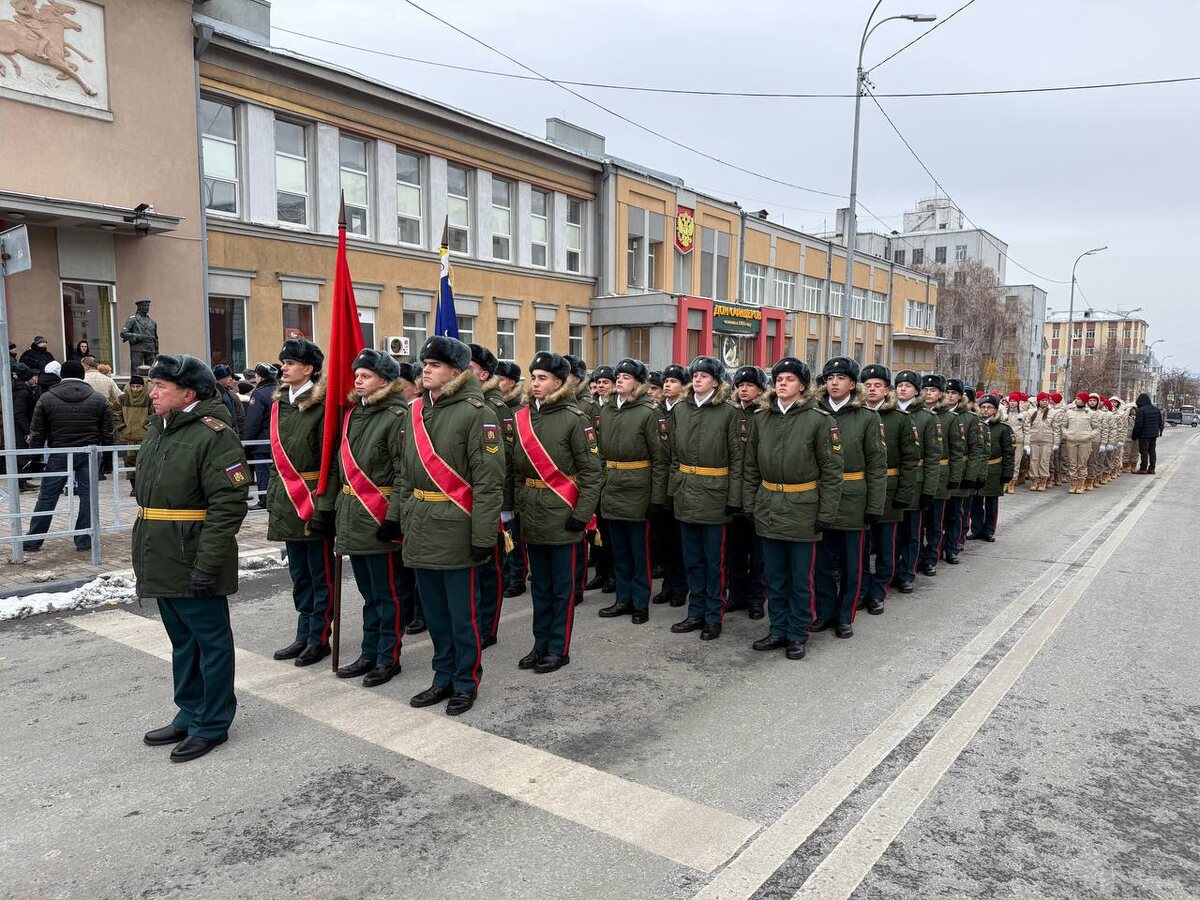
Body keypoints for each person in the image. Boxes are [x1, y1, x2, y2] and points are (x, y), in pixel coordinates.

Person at [136, 354, 249, 763]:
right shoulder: (160, 429)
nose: (153, 393)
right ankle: (190, 710)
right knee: (182, 641)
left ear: (188, 392)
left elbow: (228, 504)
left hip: (193, 554)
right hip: (161, 552)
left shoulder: (213, 434)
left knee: (210, 642)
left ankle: (213, 722)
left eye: (160, 387)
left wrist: (207, 562)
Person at [393, 337, 504, 714]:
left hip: (458, 525)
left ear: (456, 372)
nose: (426, 370)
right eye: (425, 363)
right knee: (436, 615)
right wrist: (400, 517)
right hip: (422, 524)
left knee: (462, 616)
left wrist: (483, 536)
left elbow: (489, 483)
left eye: (436, 365)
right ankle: (441, 677)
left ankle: (465, 681)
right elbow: (405, 474)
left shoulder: (478, 412)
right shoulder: (415, 412)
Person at [743, 357, 842, 659]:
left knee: (800, 578)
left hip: (803, 509)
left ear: (802, 385)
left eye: (789, 378)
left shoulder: (819, 419)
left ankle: (797, 632)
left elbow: (832, 471)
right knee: (774, 576)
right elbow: (750, 467)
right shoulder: (761, 418)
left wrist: (825, 514)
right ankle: (778, 629)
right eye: (779, 378)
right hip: (770, 505)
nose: (782, 383)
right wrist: (750, 504)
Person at [510, 351, 601, 672]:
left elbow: (592, 472)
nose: (535, 383)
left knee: (561, 589)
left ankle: (558, 648)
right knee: (541, 586)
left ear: (559, 383)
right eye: (533, 377)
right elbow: (516, 471)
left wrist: (582, 513)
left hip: (564, 514)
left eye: (542, 378)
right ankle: (539, 644)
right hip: (532, 513)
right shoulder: (521, 417)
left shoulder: (575, 418)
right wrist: (518, 503)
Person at [331, 349, 410, 688]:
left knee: (387, 593)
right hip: (353, 513)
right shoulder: (354, 415)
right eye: (357, 375)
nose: (358, 380)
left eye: (365, 376)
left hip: (379, 515)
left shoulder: (396, 416)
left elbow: (403, 472)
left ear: (385, 380)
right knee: (368, 593)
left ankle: (388, 657)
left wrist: (393, 518)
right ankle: (368, 651)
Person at [267, 338, 338, 669]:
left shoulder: (321, 406)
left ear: (308, 369)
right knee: (299, 574)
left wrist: (325, 506)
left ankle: (319, 637)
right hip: (287, 499)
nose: (284, 367)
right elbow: (277, 459)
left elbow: (331, 461)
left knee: (319, 573)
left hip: (313, 498)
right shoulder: (280, 403)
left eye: (291, 363)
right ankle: (303, 632)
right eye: (284, 362)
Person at [668, 356, 743, 641]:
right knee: (692, 560)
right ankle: (695, 611)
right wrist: (674, 488)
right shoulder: (680, 410)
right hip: (687, 492)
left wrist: (733, 497)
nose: (697, 379)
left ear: (715, 380)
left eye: (704, 375)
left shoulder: (729, 412)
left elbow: (738, 459)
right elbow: (674, 456)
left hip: (715, 494)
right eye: (694, 375)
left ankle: (714, 615)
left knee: (714, 562)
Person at [812, 357, 887, 638]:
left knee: (852, 564)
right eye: (830, 378)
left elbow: (877, 466)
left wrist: (874, 505)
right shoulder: (815, 413)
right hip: (820, 498)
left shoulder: (868, 417)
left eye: (841, 378)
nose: (834, 383)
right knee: (821, 563)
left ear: (853, 384)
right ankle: (825, 611)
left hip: (854, 499)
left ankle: (845, 615)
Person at [596, 357, 668, 624]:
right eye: (619, 377)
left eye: (626, 377)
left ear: (638, 383)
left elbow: (660, 459)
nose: (620, 380)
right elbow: (601, 454)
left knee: (639, 552)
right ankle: (623, 599)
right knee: (620, 550)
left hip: (638, 489)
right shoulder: (607, 411)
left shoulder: (649, 412)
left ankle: (640, 602)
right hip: (613, 486)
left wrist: (656, 497)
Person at [23, 360, 113, 552]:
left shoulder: (47, 398)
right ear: (82, 375)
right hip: (89, 452)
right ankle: (84, 540)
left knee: (47, 496)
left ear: (61, 376)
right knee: (89, 497)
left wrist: (35, 457)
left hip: (59, 452)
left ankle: (33, 540)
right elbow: (108, 432)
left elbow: (37, 431)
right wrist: (108, 459)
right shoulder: (98, 399)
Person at [860, 365, 921, 614]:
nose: (872, 389)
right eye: (868, 385)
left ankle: (878, 591)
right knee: (861, 548)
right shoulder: (856, 415)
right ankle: (861, 589)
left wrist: (904, 494)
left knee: (887, 546)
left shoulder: (900, 419)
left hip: (889, 489)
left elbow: (910, 460)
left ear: (887, 390)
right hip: (860, 491)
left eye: (878, 385)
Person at [468, 343, 515, 649]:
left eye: (468, 369)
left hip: (493, 501)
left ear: (483, 374)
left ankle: (489, 626)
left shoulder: (495, 408)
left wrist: (505, 507)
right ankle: (474, 621)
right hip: (463, 499)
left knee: (490, 568)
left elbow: (505, 460)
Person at [891, 370, 942, 593]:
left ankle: (906, 573)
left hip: (916, 483)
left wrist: (929, 489)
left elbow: (933, 458)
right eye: (899, 385)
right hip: (891, 482)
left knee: (911, 532)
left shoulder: (926, 418)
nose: (902, 389)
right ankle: (889, 570)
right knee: (890, 534)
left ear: (916, 391)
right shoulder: (887, 413)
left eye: (908, 386)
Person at [725, 365, 767, 619]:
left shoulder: (764, 414)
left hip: (757, 492)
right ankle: (737, 594)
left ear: (761, 390)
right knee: (734, 551)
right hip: (732, 492)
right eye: (740, 385)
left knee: (759, 553)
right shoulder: (731, 414)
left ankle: (756, 599)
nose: (743, 389)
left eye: (749, 385)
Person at [652, 364, 689, 609]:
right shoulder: (656, 411)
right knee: (663, 540)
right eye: (665, 381)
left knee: (679, 542)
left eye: (673, 381)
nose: (667, 385)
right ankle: (668, 584)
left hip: (679, 482)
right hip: (659, 481)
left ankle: (680, 587)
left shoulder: (684, 410)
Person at [918, 374, 957, 577]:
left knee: (935, 522)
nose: (928, 393)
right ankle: (916, 557)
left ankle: (931, 558)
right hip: (917, 475)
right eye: (925, 389)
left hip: (940, 475)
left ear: (940, 394)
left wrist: (954, 478)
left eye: (932, 390)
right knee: (917, 523)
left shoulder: (949, 418)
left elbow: (957, 451)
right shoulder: (913, 414)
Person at [496, 359, 528, 600]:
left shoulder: (517, 411)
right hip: (499, 480)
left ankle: (516, 577)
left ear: (512, 383)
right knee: (501, 535)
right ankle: (506, 575)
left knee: (514, 535)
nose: (497, 383)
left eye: (502, 379)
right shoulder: (495, 406)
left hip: (513, 479)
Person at [586, 365, 616, 593]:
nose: (600, 386)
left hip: (610, 473)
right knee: (596, 528)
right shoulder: (596, 406)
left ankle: (612, 575)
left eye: (605, 382)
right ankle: (601, 571)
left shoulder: (611, 408)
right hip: (595, 473)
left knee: (609, 531)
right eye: (597, 382)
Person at [969, 395, 1015, 541]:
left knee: (991, 502)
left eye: (989, 407)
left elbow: (1009, 452)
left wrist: (1008, 472)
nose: (985, 410)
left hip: (994, 468)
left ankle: (989, 530)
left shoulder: (1003, 428)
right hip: (977, 468)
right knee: (975, 501)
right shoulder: (974, 425)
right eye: (983, 407)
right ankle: (976, 529)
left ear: (995, 410)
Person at [243, 363, 278, 508]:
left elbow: (253, 421)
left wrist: (246, 442)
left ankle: (264, 500)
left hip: (262, 442)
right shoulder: (280, 390)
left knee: (263, 473)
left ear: (260, 377)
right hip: (277, 440)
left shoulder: (259, 393)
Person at [117, 374, 151, 496]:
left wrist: (147, 428)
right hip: (128, 436)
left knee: (145, 463)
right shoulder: (123, 398)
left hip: (144, 437)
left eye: (138, 386)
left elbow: (154, 415)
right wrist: (121, 426)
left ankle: (143, 487)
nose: (135, 389)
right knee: (130, 463)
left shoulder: (149, 398)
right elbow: (116, 413)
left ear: (143, 386)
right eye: (133, 386)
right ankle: (134, 488)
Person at [1023, 392, 1060, 492]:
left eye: (1046, 400)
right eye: (1043, 400)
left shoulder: (1053, 413)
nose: (1045, 402)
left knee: (1044, 461)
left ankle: (1043, 480)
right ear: (1038, 401)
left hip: (1047, 440)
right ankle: (1034, 480)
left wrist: (1056, 442)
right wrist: (1026, 443)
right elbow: (1027, 428)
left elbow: (1056, 428)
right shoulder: (1031, 412)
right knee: (1034, 461)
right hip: (1033, 440)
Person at [1061, 392, 1096, 494]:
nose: (1077, 400)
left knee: (1082, 464)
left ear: (1084, 401)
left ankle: (1081, 482)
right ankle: (1073, 482)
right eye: (1076, 398)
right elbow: (1063, 426)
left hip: (1085, 442)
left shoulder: (1091, 413)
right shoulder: (1069, 413)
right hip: (1071, 441)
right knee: (1072, 463)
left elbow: (1097, 428)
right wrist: (1067, 434)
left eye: (1080, 399)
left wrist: (1089, 436)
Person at [120, 299, 159, 371]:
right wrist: (137, 336)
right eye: (144, 305)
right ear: (139, 307)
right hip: (138, 348)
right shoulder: (132, 320)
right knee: (136, 370)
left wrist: (157, 352)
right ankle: (136, 382)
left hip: (151, 349)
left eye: (148, 305)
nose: (147, 307)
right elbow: (123, 333)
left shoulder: (152, 322)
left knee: (152, 371)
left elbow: (155, 338)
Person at [1132, 392, 1164, 474]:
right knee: (1152, 451)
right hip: (1154, 434)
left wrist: (1134, 435)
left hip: (1144, 435)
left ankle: (1143, 468)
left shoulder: (1141, 411)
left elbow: (1138, 424)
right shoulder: (1156, 410)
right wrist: (1160, 431)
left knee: (1144, 451)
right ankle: (1152, 468)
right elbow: (1161, 422)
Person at [212, 364, 246, 436]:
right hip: (223, 433)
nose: (230, 378)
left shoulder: (225, 392)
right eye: (228, 376)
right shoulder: (216, 394)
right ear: (220, 378)